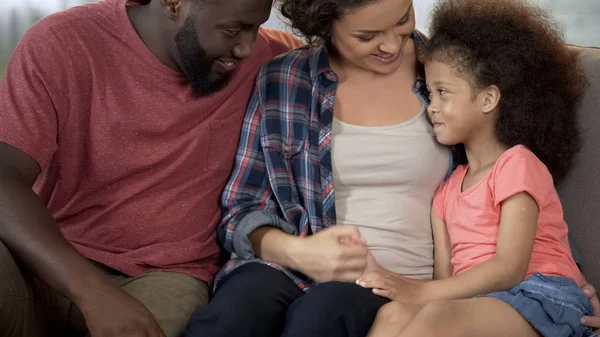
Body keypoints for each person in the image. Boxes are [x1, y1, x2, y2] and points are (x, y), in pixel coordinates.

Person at [184, 0, 600, 336]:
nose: (391, 46)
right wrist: (299, 251)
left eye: (402, 20)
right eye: (367, 35)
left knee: (327, 311)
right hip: (288, 266)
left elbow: (510, 186)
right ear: (324, 25)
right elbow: (241, 208)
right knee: (234, 313)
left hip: (395, 282)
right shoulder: (285, 80)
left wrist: (566, 287)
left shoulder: (449, 71)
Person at [0, 0, 302, 335]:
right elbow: (4, 178)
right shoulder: (63, 43)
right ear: (174, 4)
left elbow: (348, 52)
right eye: (234, 30)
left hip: (167, 275)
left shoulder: (273, 60)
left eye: (256, 28)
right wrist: (93, 292)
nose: (247, 48)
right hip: (47, 260)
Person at [360, 0, 597, 336]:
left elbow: (509, 269)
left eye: (443, 92)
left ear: (488, 99)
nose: (433, 107)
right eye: (429, 92)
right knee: (393, 316)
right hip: (476, 300)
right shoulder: (444, 195)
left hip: (541, 293)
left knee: (436, 316)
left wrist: (417, 289)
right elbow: (447, 281)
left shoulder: (517, 164)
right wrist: (411, 293)